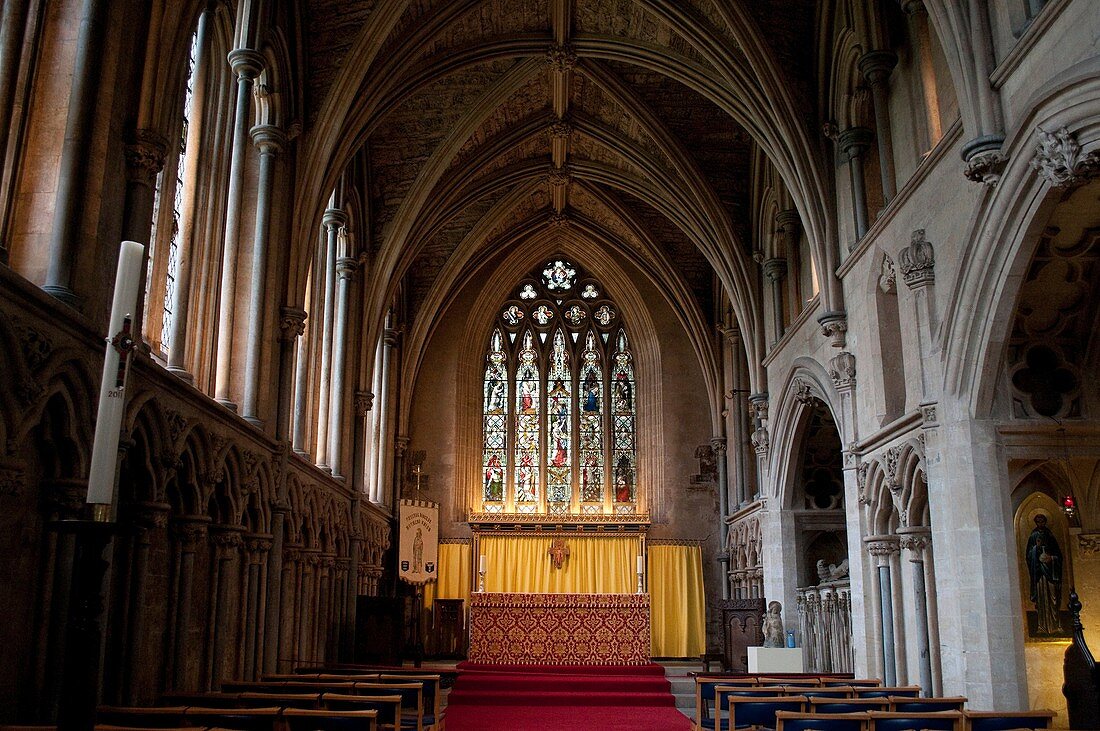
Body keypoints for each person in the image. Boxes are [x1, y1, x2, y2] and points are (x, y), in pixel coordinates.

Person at [1025, 513, 1063, 635]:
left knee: (1054, 598)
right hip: (1039, 574)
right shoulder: (1033, 536)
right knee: (1041, 600)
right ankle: (1041, 626)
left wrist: (1051, 558)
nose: (1040, 524)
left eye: (1042, 521)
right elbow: (1028, 555)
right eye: (1038, 521)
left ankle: (1055, 625)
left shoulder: (1050, 535)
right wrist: (1037, 548)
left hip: (1051, 573)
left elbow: (1058, 555)